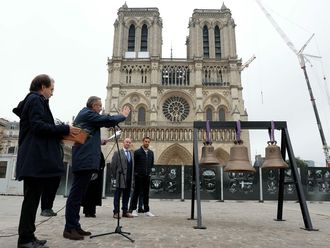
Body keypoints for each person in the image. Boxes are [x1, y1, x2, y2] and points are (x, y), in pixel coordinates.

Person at [13, 74, 81, 248]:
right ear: (43, 87)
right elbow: (38, 126)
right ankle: (25, 240)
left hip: (33, 159)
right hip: (34, 159)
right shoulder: (36, 100)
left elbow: (40, 128)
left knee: (33, 199)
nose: (52, 93)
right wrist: (65, 128)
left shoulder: (35, 100)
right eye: (51, 89)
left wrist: (60, 134)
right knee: (31, 200)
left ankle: (29, 236)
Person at [63, 96, 130, 241]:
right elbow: (105, 121)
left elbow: (84, 136)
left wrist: (100, 141)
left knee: (79, 195)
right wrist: (122, 116)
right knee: (75, 196)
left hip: (85, 159)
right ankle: (69, 228)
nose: (101, 108)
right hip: (84, 160)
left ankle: (75, 225)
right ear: (93, 105)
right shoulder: (87, 114)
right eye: (99, 106)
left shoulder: (87, 115)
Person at [129, 136, 155, 217]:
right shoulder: (137, 152)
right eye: (145, 141)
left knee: (146, 194)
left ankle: (147, 210)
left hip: (147, 176)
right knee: (136, 193)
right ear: (143, 142)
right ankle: (133, 209)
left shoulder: (151, 153)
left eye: (148, 142)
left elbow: (151, 164)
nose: (147, 143)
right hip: (139, 176)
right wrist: (136, 173)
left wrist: (150, 172)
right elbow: (134, 164)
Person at [111, 138, 134, 219]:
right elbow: (113, 166)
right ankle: (116, 212)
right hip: (120, 178)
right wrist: (116, 176)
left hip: (129, 178)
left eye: (129, 142)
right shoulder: (117, 153)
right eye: (127, 142)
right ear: (123, 143)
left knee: (127, 195)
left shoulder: (131, 153)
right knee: (117, 195)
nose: (128, 143)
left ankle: (125, 211)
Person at [81, 151, 105, 218]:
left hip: (97, 177)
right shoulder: (88, 151)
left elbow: (103, 163)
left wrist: (100, 169)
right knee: (87, 194)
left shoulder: (99, 152)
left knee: (94, 195)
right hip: (88, 176)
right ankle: (86, 212)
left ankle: (92, 212)